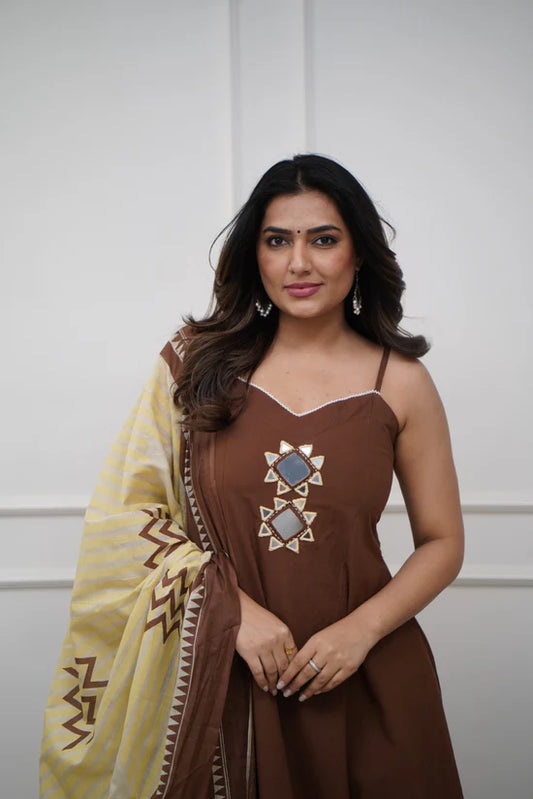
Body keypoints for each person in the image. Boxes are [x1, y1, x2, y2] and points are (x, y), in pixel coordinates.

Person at [40, 154, 464, 798]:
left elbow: (443, 541)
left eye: (323, 239)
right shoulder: (195, 365)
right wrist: (234, 613)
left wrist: (360, 632)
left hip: (365, 676)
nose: (299, 263)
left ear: (358, 253)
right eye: (277, 241)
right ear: (254, 255)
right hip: (227, 675)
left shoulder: (401, 382)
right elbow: (128, 517)